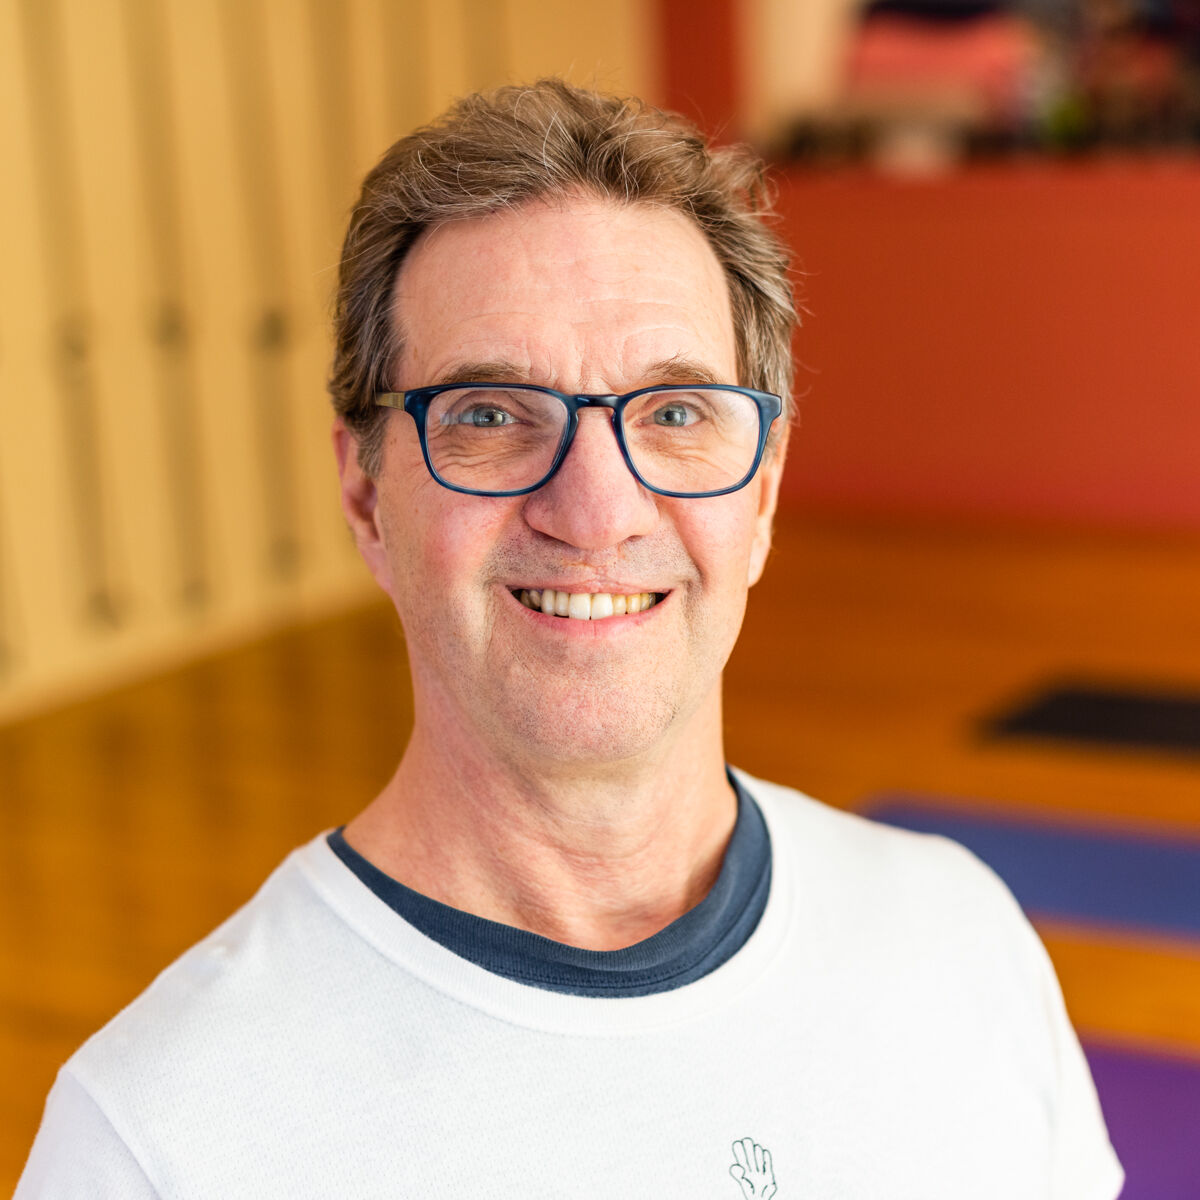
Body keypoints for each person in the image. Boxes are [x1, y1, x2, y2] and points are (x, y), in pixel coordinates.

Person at [19, 79, 1122, 1198]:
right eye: (491, 414)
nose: (597, 510)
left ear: (765, 494)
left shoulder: (960, 942)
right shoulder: (156, 1140)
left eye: (676, 413)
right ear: (365, 496)